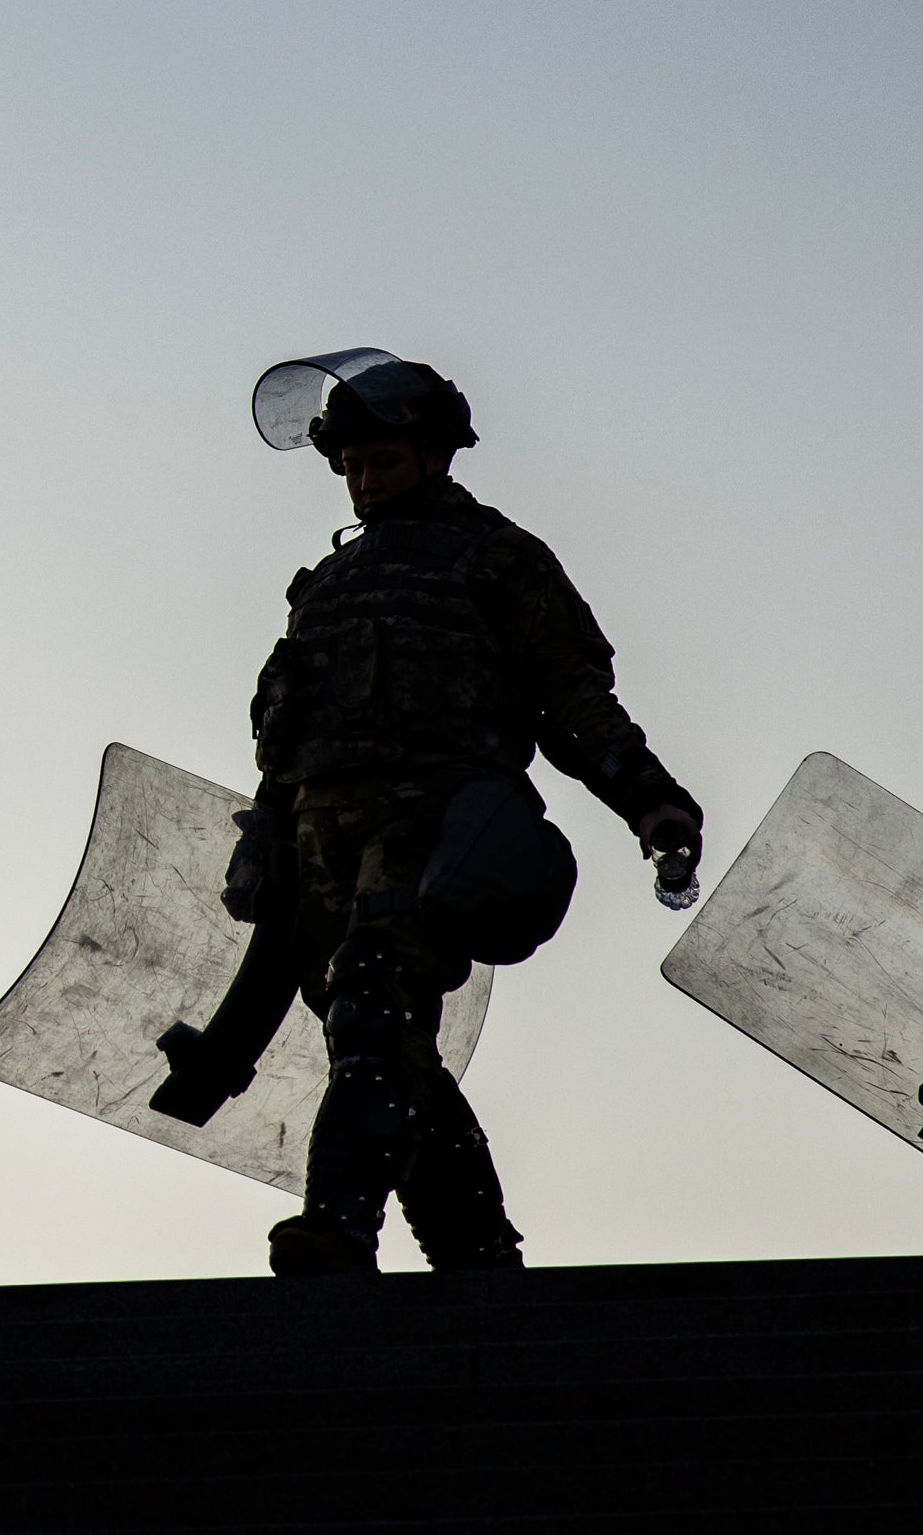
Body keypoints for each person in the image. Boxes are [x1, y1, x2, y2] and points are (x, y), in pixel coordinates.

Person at [169, 351, 705, 1278]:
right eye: (352, 465)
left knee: (374, 1018)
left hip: (430, 833)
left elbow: (572, 701)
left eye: (382, 460)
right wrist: (265, 842)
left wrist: (649, 799)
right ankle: (479, 1258)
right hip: (319, 855)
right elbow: (290, 740)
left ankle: (337, 1228)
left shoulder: (498, 557)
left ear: (433, 454)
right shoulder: (325, 587)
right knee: (391, 1055)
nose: (365, 481)